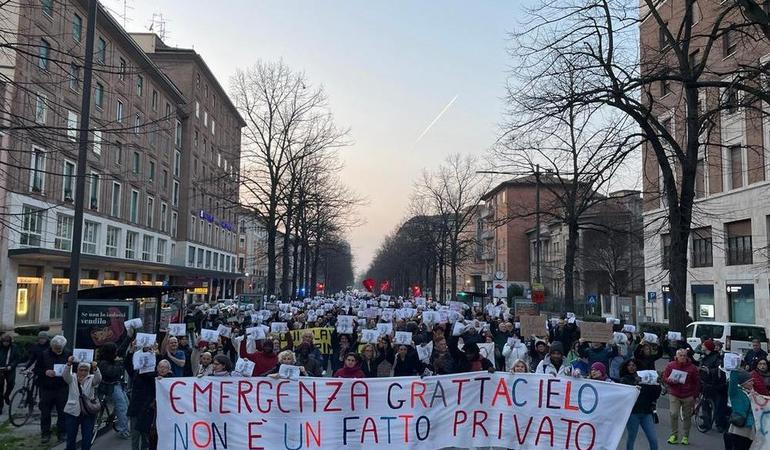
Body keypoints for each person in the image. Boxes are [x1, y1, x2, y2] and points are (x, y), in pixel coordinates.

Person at [620, 359, 660, 450]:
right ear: (626, 367)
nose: (631, 367)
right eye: (629, 365)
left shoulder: (645, 378)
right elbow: (625, 394)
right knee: (631, 438)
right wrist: (635, 383)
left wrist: (657, 384)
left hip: (646, 412)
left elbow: (655, 395)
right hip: (633, 413)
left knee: (653, 439)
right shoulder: (624, 379)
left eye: (633, 365)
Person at [662, 348, 700, 445]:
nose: (683, 357)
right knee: (674, 413)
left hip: (688, 395)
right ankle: (674, 435)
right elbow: (665, 378)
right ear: (676, 356)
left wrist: (695, 396)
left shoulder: (692, 368)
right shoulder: (671, 365)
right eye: (681, 356)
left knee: (687, 416)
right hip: (674, 393)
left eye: (684, 356)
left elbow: (696, 382)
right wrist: (671, 381)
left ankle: (685, 436)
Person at [37, 334, 71, 443]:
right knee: (45, 412)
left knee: (62, 412)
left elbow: (73, 369)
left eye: (60, 349)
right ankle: (45, 433)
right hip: (47, 388)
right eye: (56, 349)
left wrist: (69, 366)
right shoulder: (44, 354)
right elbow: (37, 369)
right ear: (52, 346)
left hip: (62, 387)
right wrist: (45, 372)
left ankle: (62, 432)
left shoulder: (68, 354)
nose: (58, 350)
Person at [63, 358, 101, 450]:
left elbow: (98, 379)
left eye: (86, 370)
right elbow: (65, 375)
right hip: (72, 411)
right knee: (71, 438)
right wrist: (69, 364)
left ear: (89, 371)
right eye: (81, 370)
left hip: (88, 412)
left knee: (87, 437)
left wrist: (95, 368)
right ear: (77, 370)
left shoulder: (91, 378)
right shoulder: (72, 378)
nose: (83, 372)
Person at [96, 342, 130, 439]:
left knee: (126, 405)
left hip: (117, 385)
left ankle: (117, 420)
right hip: (111, 387)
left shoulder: (110, 359)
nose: (116, 353)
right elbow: (112, 373)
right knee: (122, 407)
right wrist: (119, 363)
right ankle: (123, 430)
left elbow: (121, 349)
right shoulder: (103, 363)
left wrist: (128, 337)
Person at [724, 369, 755, 450]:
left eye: (752, 381)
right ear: (743, 383)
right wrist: (734, 370)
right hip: (739, 428)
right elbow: (733, 383)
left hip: (750, 428)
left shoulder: (752, 393)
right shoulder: (735, 393)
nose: (752, 383)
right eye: (749, 381)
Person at [0, 334, 21, 413]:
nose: (5, 343)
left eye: (7, 342)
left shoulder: (14, 348)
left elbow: (16, 358)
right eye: (4, 342)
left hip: (10, 369)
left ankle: (6, 395)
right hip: (1, 369)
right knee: (0, 387)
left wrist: (11, 366)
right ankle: (0, 406)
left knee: (11, 383)